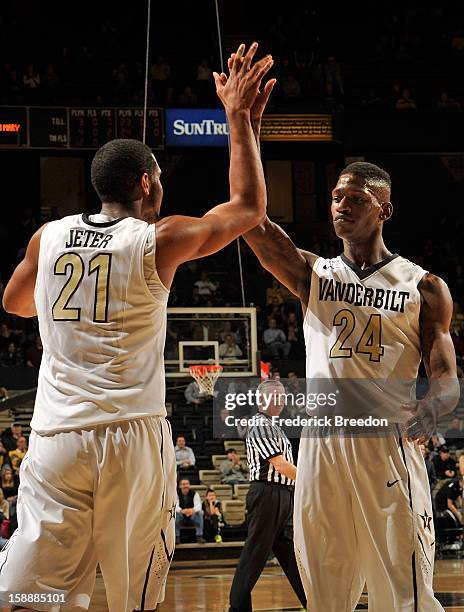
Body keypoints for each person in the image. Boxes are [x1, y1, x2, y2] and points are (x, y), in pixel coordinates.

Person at [1, 42, 274, 611]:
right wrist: (238, 121)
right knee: (136, 596)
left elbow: (15, 303)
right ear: (148, 183)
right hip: (130, 435)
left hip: (55, 437)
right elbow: (247, 207)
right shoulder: (158, 238)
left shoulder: (46, 237)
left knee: (30, 593)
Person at [236, 92, 460, 610]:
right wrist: (243, 126)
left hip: (385, 442)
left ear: (384, 209)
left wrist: (431, 409)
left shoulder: (423, 286)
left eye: (354, 199)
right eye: (336, 197)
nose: (340, 206)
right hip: (321, 448)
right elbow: (251, 218)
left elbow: (445, 376)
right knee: (325, 593)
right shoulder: (314, 273)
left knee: (404, 591)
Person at [229, 380, 306, 612]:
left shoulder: (275, 426)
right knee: (254, 555)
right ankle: (237, 608)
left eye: (283, 396)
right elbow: (280, 465)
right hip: (266, 494)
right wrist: (310, 482)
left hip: (282, 495)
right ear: (262, 400)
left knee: (292, 557)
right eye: (276, 396)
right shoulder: (260, 425)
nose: (281, 401)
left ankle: (315, 602)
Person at [175, 478, 204, 544]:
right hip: (181, 517)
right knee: (175, 513)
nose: (185, 486)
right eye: (183, 484)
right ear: (180, 486)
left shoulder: (194, 493)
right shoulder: (176, 494)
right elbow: (175, 506)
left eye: (187, 484)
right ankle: (177, 537)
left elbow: (198, 506)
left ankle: (199, 536)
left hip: (192, 517)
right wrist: (182, 511)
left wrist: (191, 510)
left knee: (199, 513)